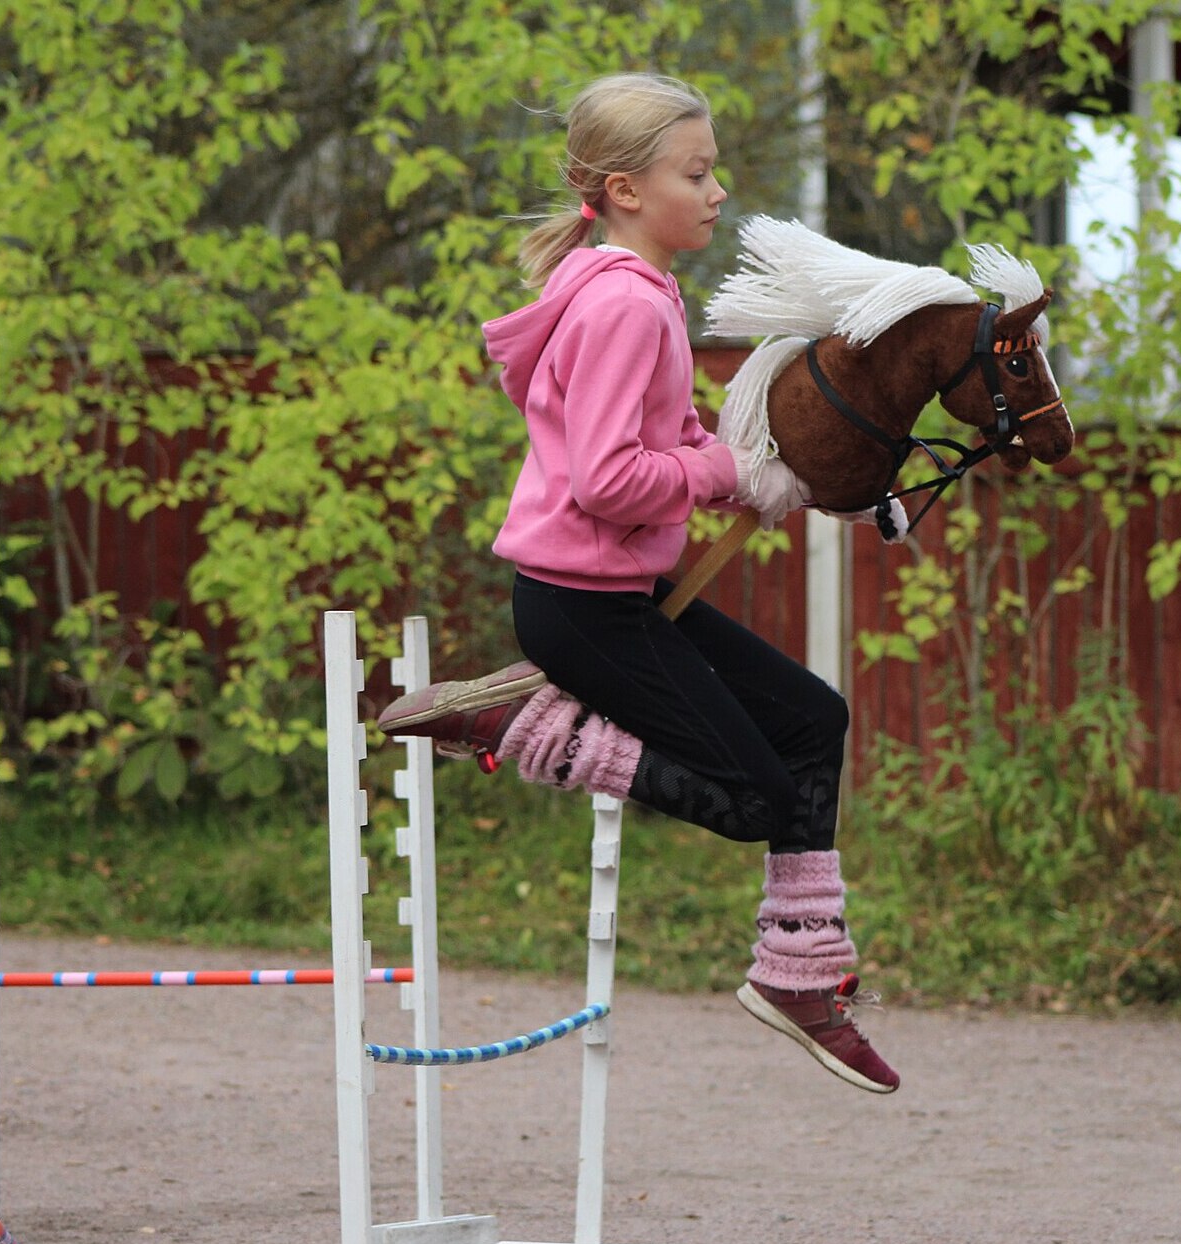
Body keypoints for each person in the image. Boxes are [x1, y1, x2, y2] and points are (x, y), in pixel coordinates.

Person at [378, 72, 899, 1093]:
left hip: (614, 598)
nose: (717, 192)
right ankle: (520, 724)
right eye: (696, 174)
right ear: (622, 189)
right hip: (582, 611)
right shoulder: (624, 305)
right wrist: (718, 474)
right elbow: (611, 480)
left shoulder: (639, 292)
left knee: (812, 720)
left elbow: (665, 437)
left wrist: (773, 473)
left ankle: (801, 974)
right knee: (755, 795)